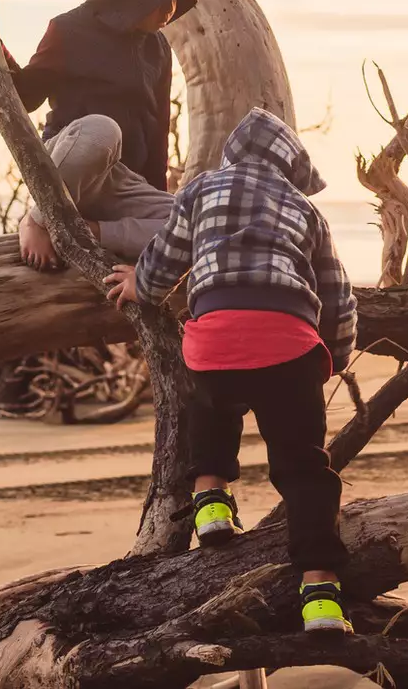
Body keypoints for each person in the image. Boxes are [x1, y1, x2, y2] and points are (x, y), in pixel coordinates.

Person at [103, 107, 358, 636]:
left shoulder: (201, 189)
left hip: (216, 333)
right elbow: (337, 293)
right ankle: (321, 594)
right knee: (305, 469)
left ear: (234, 153)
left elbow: (167, 255)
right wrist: (336, 352)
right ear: (289, 166)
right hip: (290, 340)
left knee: (211, 410)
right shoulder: (307, 211)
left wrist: (137, 285)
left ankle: (212, 501)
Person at [2, 0, 196, 269]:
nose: (170, 10)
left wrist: (156, 201)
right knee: (103, 131)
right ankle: (37, 220)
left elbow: (156, 132)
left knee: (196, 223)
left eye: (176, 0)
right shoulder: (69, 30)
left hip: (119, 184)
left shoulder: (158, 49)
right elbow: (24, 97)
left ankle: (91, 231)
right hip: (71, 161)